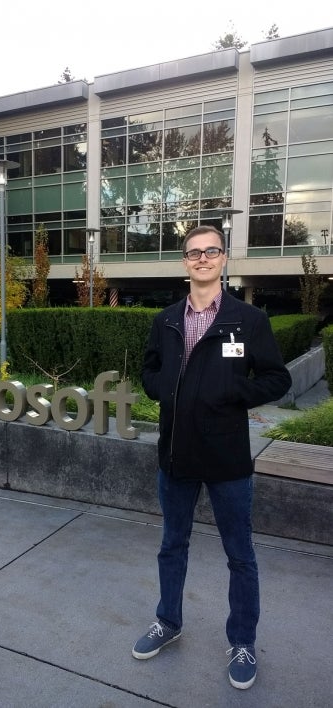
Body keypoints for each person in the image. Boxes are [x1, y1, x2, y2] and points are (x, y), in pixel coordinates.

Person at [133, 225, 291, 690]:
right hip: (176, 456)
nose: (202, 259)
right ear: (185, 263)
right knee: (171, 546)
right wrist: (164, 389)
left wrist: (234, 390)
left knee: (240, 556)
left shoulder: (248, 320)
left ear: (224, 259)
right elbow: (149, 369)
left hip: (227, 461)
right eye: (193, 253)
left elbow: (277, 379)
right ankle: (168, 621)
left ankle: (242, 641)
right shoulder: (165, 319)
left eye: (211, 251)